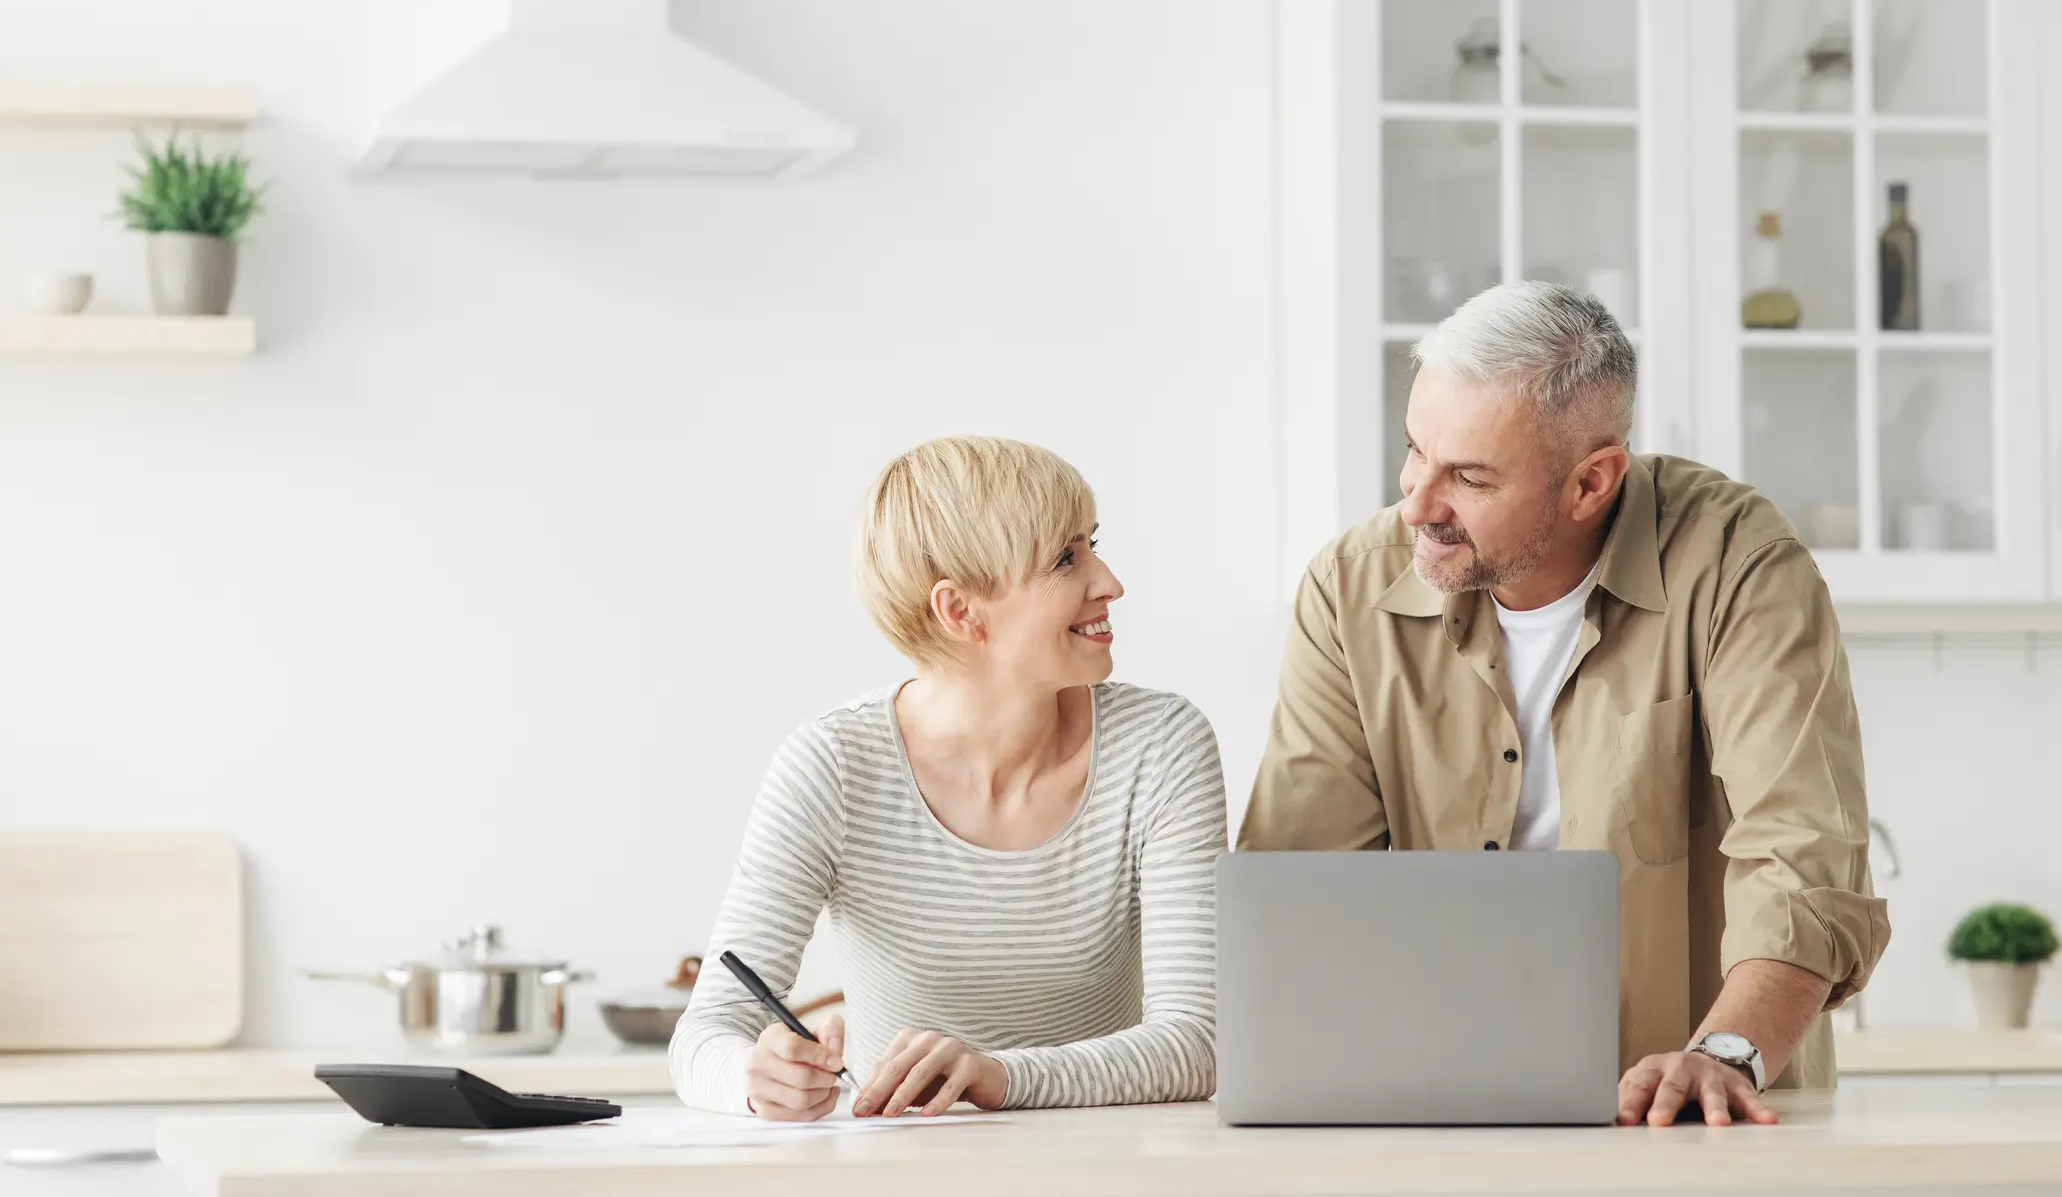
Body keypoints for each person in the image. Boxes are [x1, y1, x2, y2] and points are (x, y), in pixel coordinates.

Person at [1238, 281, 1890, 1128]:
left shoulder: (1738, 564)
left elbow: (1800, 853)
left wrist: (1723, 1053)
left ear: (1591, 482)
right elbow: (1299, 883)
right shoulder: (1348, 589)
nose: (1417, 504)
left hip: (1694, 1117)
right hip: (1434, 1106)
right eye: (1413, 451)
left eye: (1467, 477)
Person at [670, 436, 1226, 1121]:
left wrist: (998, 1077)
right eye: (1065, 558)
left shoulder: (1160, 745)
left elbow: (1196, 1043)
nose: (1108, 581)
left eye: (1092, 544)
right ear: (960, 611)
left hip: (1105, 1170)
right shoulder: (834, 765)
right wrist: (754, 1079)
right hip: (899, 1171)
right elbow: (702, 1037)